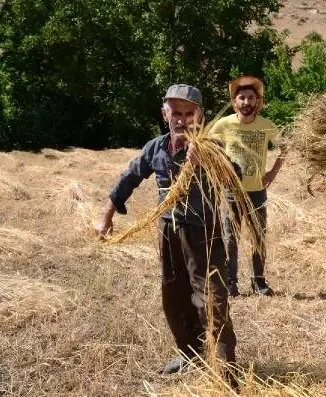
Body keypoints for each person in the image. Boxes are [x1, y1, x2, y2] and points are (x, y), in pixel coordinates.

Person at [94, 84, 238, 373]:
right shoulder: (156, 147)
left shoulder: (211, 147)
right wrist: (107, 214)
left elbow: (235, 176)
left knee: (211, 298)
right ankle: (190, 354)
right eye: (176, 113)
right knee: (174, 294)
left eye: (189, 113)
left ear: (200, 116)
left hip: (202, 232)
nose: (182, 119)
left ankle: (225, 369)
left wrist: (209, 160)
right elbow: (130, 177)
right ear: (165, 113)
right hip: (168, 230)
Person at [209, 76, 286, 297]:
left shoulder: (266, 126)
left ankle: (259, 282)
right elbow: (211, 150)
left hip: (257, 192)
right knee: (230, 237)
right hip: (231, 191)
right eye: (241, 98)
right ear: (235, 102)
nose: (246, 102)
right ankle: (231, 283)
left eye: (251, 98)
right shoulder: (223, 124)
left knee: (258, 237)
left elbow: (286, 147)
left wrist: (272, 172)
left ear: (258, 101)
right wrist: (221, 170)